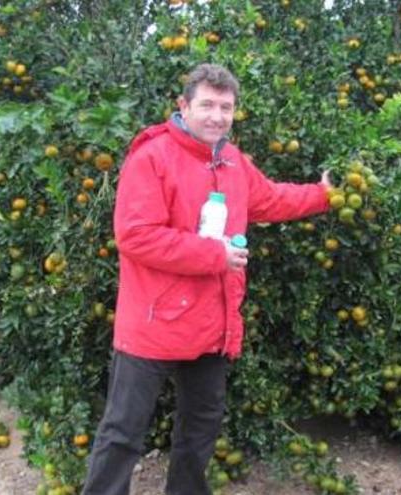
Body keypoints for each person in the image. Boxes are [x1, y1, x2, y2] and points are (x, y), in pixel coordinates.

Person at [81, 63, 331, 495]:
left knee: (200, 427)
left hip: (210, 321)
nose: (217, 116)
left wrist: (324, 195)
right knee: (123, 432)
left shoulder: (233, 161)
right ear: (183, 106)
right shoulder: (152, 157)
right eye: (208, 105)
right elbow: (135, 236)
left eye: (226, 107)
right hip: (152, 322)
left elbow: (270, 198)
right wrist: (215, 254)